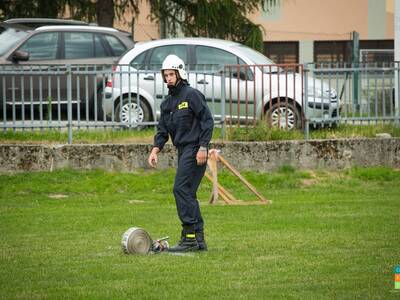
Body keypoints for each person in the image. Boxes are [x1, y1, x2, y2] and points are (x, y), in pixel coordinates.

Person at [147, 54, 214, 252]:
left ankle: (189, 238)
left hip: (195, 149)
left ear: (180, 73)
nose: (168, 78)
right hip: (183, 150)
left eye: (171, 74)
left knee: (180, 189)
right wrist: (155, 150)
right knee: (188, 193)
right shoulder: (167, 104)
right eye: (165, 75)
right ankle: (199, 240)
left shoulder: (192, 95)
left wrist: (203, 147)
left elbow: (207, 121)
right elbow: (162, 131)